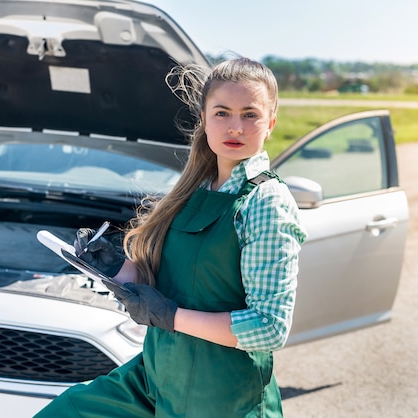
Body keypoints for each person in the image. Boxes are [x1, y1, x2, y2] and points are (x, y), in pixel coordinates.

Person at [34, 57, 307, 417]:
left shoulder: (266, 203)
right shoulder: (194, 189)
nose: (235, 127)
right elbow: (172, 287)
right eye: (222, 112)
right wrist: (118, 268)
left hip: (220, 397)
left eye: (250, 114)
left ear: (270, 123)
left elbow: (269, 328)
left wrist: (171, 317)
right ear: (205, 120)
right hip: (155, 378)